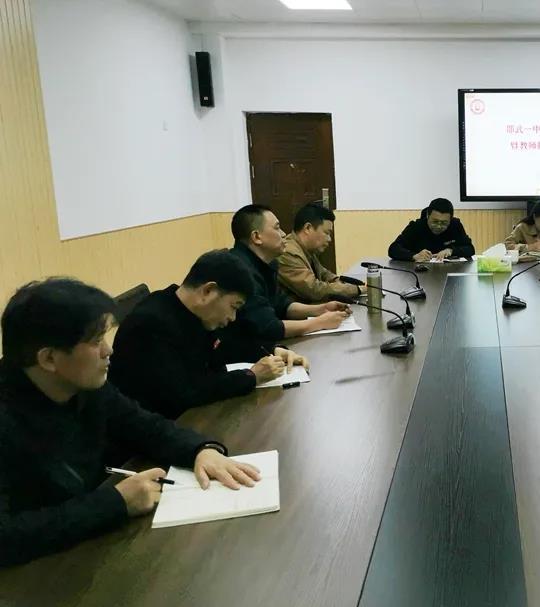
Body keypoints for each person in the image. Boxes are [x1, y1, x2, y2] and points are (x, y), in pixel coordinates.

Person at [0, 279, 261, 566]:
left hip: (91, 549)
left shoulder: (87, 386)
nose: (108, 351)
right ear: (49, 358)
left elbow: (144, 425)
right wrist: (115, 503)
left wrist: (201, 449)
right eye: (96, 341)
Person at [110, 250, 308, 420]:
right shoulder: (150, 324)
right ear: (208, 291)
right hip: (153, 433)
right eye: (234, 306)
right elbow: (186, 392)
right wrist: (252, 376)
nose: (232, 317)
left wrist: (273, 350)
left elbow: (227, 345)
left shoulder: (192, 312)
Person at [222, 205, 351, 361]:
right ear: (256, 237)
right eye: (277, 228)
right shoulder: (240, 271)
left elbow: (282, 305)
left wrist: (321, 309)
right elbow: (269, 328)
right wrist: (319, 323)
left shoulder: (267, 264)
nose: (283, 234)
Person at [278, 203, 361, 303]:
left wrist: (342, 283)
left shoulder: (308, 250)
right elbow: (314, 290)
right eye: (326, 233)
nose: (329, 239)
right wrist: (357, 289)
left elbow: (325, 275)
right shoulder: (288, 252)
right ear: (308, 228)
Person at [388, 197, 475, 262]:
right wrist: (414, 256)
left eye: (444, 223)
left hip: (448, 271)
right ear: (427, 216)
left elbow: (470, 249)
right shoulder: (416, 226)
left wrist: (451, 251)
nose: (439, 226)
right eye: (435, 221)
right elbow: (393, 249)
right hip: (421, 273)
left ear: (450, 219)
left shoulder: (455, 225)